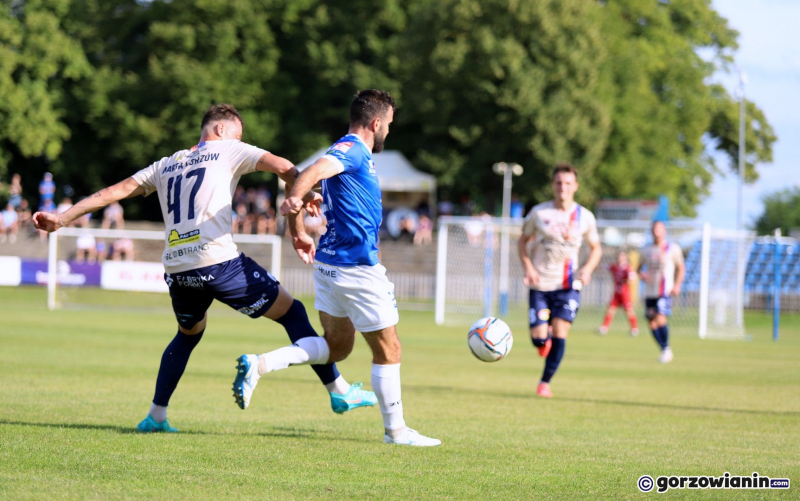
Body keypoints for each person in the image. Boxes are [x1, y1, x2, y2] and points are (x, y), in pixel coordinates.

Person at [33, 103, 376, 433]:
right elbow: (285, 166)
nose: (240, 141)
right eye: (237, 134)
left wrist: (62, 218)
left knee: (188, 336)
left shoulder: (165, 164)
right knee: (293, 313)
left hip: (179, 271)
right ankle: (339, 391)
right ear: (222, 128)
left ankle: (156, 416)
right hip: (219, 263)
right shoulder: (228, 150)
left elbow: (113, 192)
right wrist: (305, 195)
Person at [238, 89, 440, 446]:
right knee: (389, 350)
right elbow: (313, 171)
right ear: (375, 123)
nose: (388, 132)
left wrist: (298, 229)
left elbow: (311, 176)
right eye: (388, 125)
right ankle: (396, 431)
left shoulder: (352, 152)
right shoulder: (352, 149)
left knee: (337, 347)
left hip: (329, 266)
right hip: (356, 268)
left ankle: (260, 364)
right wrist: (296, 202)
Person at [517, 163, 602, 398]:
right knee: (539, 339)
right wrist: (529, 267)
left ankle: (544, 383)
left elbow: (596, 249)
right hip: (540, 285)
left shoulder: (585, 216)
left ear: (575, 186)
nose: (562, 187)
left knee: (560, 333)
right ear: (552, 185)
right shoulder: (539, 213)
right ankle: (543, 342)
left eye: (567, 183)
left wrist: (587, 269)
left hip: (567, 285)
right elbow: (522, 241)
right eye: (558, 183)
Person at [638, 221, 685, 363]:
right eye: (654, 228)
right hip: (650, 291)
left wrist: (677, 285)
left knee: (660, 318)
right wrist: (642, 274)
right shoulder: (646, 249)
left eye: (659, 228)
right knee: (651, 322)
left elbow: (681, 268)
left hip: (664, 290)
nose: (656, 231)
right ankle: (664, 349)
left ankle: (666, 349)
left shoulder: (672, 248)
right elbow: (638, 267)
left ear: (664, 231)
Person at [598, 251, 639, 336]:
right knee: (610, 310)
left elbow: (632, 277)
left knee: (629, 310)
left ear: (625, 258)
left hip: (625, 293)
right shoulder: (615, 267)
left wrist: (628, 280)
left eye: (622, 257)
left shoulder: (627, 268)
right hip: (616, 293)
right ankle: (604, 328)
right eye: (619, 256)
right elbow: (604, 267)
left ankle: (634, 328)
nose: (620, 258)